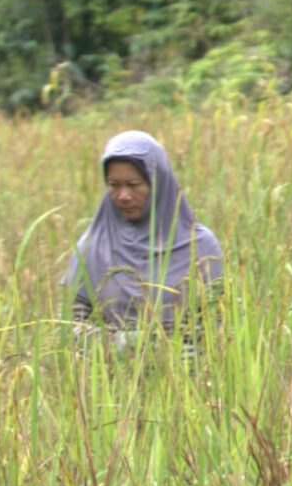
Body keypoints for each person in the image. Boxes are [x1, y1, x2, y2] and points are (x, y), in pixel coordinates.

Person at [62, 131, 224, 340]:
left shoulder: (200, 246)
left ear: (159, 183)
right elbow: (70, 326)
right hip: (111, 369)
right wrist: (120, 343)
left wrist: (170, 346)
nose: (123, 196)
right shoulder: (92, 247)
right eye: (114, 185)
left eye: (133, 185)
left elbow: (221, 324)